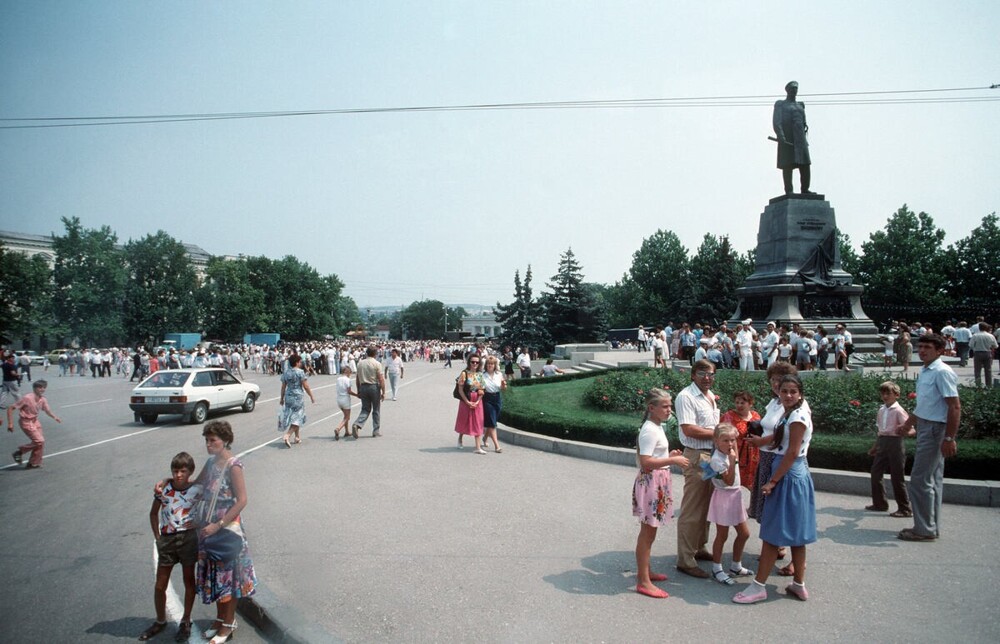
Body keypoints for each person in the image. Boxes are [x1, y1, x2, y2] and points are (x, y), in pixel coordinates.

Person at [733, 375, 816, 604]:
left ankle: (758, 587)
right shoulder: (791, 413)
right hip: (794, 472)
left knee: (772, 533)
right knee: (797, 534)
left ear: (800, 394)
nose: (788, 395)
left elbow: (792, 452)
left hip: (788, 473)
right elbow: (781, 440)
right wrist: (762, 443)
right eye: (784, 391)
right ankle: (799, 584)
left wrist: (773, 481)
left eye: (793, 391)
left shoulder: (797, 417)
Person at [194, 421, 257, 643]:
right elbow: (196, 485)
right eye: (206, 440)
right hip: (208, 527)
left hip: (226, 529)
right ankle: (220, 619)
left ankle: (228, 624)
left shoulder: (233, 465)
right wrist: (168, 482)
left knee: (229, 578)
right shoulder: (211, 463)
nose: (208, 444)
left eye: (213, 440)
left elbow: (242, 500)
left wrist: (218, 524)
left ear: (225, 440)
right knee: (215, 576)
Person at [896, 334, 961, 542]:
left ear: (940, 351)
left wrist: (949, 438)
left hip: (936, 429)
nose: (922, 350)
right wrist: (908, 424)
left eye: (927, 347)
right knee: (931, 479)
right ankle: (930, 526)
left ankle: (924, 530)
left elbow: (954, 406)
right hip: (926, 425)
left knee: (920, 479)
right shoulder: (926, 370)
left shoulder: (942, 372)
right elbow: (925, 404)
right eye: (921, 346)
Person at [139, 452, 203, 642]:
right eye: (175, 471)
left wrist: (199, 522)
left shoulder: (197, 489)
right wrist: (157, 537)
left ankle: (186, 620)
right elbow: (153, 513)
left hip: (188, 538)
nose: (178, 475)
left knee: (189, 581)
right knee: (160, 584)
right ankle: (160, 620)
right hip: (167, 540)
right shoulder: (164, 489)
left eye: (183, 471)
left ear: (190, 472)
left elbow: (211, 506)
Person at [632, 388, 689, 598]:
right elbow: (646, 462)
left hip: (657, 481)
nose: (669, 410)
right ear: (651, 408)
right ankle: (643, 581)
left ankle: (646, 572)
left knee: (651, 532)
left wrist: (667, 455)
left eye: (670, 406)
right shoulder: (649, 429)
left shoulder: (656, 426)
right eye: (664, 406)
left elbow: (654, 455)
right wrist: (672, 460)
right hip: (651, 483)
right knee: (647, 533)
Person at [746, 361, 800, 575]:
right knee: (769, 508)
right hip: (767, 457)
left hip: (781, 459)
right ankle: (775, 547)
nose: (776, 384)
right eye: (773, 380)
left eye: (780, 379)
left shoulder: (795, 407)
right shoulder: (775, 402)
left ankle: (797, 560)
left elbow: (784, 433)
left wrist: (761, 441)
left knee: (786, 511)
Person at [674, 359, 720, 578]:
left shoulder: (709, 396)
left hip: (711, 456)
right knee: (693, 508)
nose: (707, 378)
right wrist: (720, 433)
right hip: (697, 455)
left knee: (707, 504)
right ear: (693, 375)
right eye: (702, 373)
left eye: (711, 374)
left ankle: (699, 546)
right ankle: (685, 559)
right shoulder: (686, 397)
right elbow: (689, 429)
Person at [705, 423, 754, 585]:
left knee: (744, 533)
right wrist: (732, 462)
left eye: (732, 440)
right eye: (725, 440)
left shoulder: (730, 452)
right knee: (722, 535)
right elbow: (729, 481)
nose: (730, 444)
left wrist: (733, 456)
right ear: (716, 441)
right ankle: (717, 569)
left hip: (735, 496)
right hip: (724, 497)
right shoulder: (717, 460)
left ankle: (736, 566)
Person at [866, 381, 914, 517]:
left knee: (897, 476)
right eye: (883, 393)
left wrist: (904, 431)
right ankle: (880, 503)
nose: (885, 396)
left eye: (888, 393)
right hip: (883, 442)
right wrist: (875, 447)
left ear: (896, 395)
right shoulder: (882, 410)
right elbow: (881, 431)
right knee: (876, 473)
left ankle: (905, 508)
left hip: (895, 443)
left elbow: (912, 430)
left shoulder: (899, 411)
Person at [8, 379, 61, 469]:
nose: (42, 389)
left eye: (44, 387)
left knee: (40, 443)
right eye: (39, 387)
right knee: (39, 441)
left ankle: (33, 463)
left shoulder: (43, 399)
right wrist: (10, 424)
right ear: (34, 388)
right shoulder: (27, 398)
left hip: (35, 421)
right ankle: (19, 452)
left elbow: (47, 410)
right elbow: (10, 408)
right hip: (26, 421)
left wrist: (54, 417)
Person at [772, 80, 812, 195]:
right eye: (792, 89)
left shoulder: (800, 105)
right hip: (787, 138)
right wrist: (781, 136)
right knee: (787, 165)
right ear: (787, 91)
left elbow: (803, 123)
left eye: (796, 89)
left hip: (800, 139)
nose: (794, 91)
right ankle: (789, 190)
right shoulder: (781, 104)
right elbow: (777, 122)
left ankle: (805, 189)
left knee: (805, 164)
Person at [721, 390, 762, 493]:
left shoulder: (756, 416)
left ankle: (753, 503)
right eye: (737, 402)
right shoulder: (729, 416)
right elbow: (721, 433)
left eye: (742, 403)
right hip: (736, 454)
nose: (739, 405)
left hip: (754, 456)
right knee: (733, 484)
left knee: (754, 486)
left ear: (750, 403)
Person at [278, 354, 315, 448]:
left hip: (288, 396)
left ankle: (297, 437)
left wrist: (281, 398)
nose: (301, 363)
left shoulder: (286, 372)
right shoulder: (300, 372)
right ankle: (288, 435)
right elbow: (306, 386)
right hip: (297, 396)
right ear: (297, 362)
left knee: (294, 416)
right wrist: (311, 396)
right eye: (300, 362)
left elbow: (283, 387)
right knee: (298, 416)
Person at [455, 355, 486, 454]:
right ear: (469, 362)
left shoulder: (480, 374)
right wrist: (467, 402)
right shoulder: (464, 373)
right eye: (473, 362)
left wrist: (477, 401)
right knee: (464, 419)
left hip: (477, 399)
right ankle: (460, 438)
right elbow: (460, 389)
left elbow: (482, 389)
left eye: (477, 362)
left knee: (478, 421)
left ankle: (478, 447)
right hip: (466, 398)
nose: (475, 364)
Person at [352, 346, 385, 438]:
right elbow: (381, 379)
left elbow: (357, 378)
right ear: (375, 354)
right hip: (373, 387)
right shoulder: (377, 363)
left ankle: (357, 423)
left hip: (363, 386)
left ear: (367, 353)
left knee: (365, 409)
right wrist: (383, 392)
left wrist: (358, 390)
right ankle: (376, 430)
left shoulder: (360, 363)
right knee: (376, 409)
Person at [481, 355, 506, 453]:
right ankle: (497, 446)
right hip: (487, 398)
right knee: (492, 422)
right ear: (486, 365)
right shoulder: (482, 375)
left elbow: (503, 388)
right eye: (488, 364)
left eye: (492, 364)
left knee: (492, 421)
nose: (490, 365)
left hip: (497, 398)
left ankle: (485, 438)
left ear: (495, 365)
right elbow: (480, 388)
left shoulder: (499, 374)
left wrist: (503, 385)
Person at [333, 365, 359, 440]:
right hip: (345, 399)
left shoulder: (338, 379)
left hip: (339, 399)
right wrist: (357, 395)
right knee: (347, 417)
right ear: (347, 372)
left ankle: (347, 431)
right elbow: (349, 391)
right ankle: (338, 428)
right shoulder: (348, 380)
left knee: (345, 416)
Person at [969, 322, 998, 388]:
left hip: (977, 353)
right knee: (988, 370)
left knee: (977, 370)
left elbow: (970, 345)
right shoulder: (990, 336)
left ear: (979, 328)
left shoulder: (975, 335)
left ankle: (978, 385)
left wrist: (975, 348)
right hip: (987, 352)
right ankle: (989, 385)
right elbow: (995, 346)